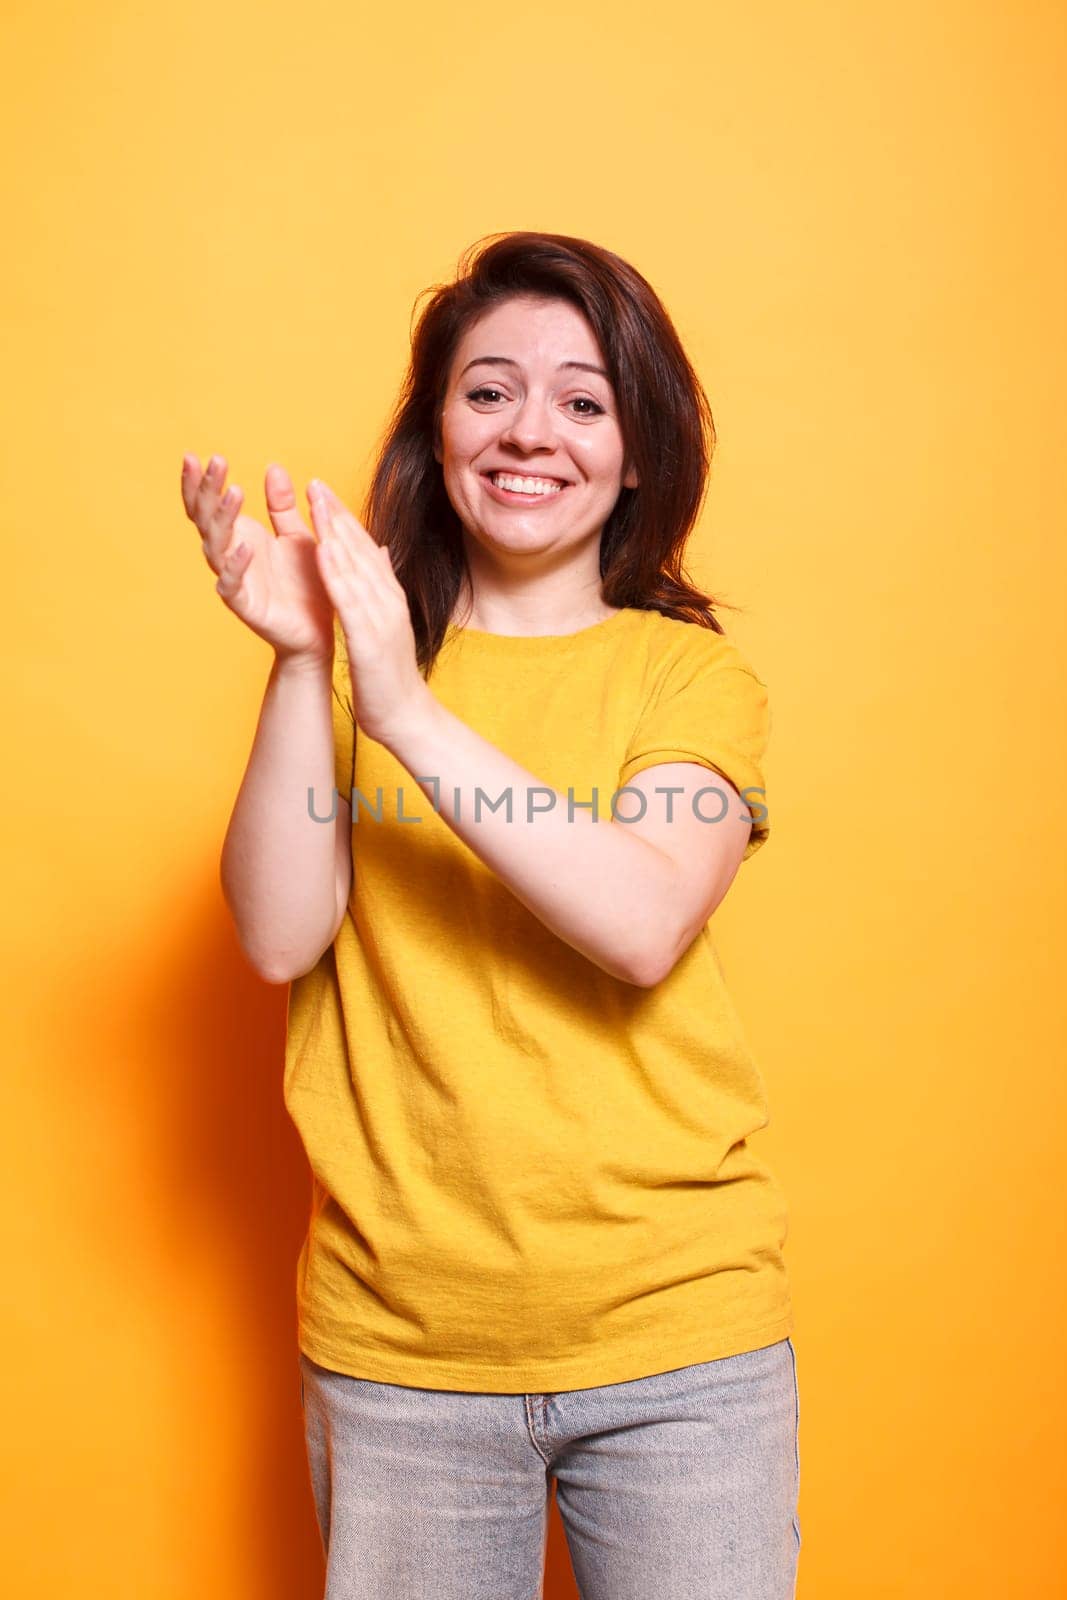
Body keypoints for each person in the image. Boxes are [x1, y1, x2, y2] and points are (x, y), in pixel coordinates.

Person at [180, 230, 801, 1600]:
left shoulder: (688, 679)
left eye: (585, 402)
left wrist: (402, 707)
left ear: (639, 455)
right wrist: (305, 666)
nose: (531, 433)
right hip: (400, 1349)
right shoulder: (354, 671)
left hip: (676, 1339)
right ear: (436, 427)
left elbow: (642, 922)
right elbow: (282, 938)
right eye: (489, 391)